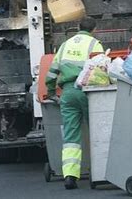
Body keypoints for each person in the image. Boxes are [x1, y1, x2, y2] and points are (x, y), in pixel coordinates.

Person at [45, 19, 103, 189]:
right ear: (94, 29)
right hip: (88, 92)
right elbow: (101, 70)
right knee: (96, 132)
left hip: (68, 93)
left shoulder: (64, 45)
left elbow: (51, 73)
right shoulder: (95, 44)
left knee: (71, 136)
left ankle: (70, 175)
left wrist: (50, 91)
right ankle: (98, 172)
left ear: (78, 28)